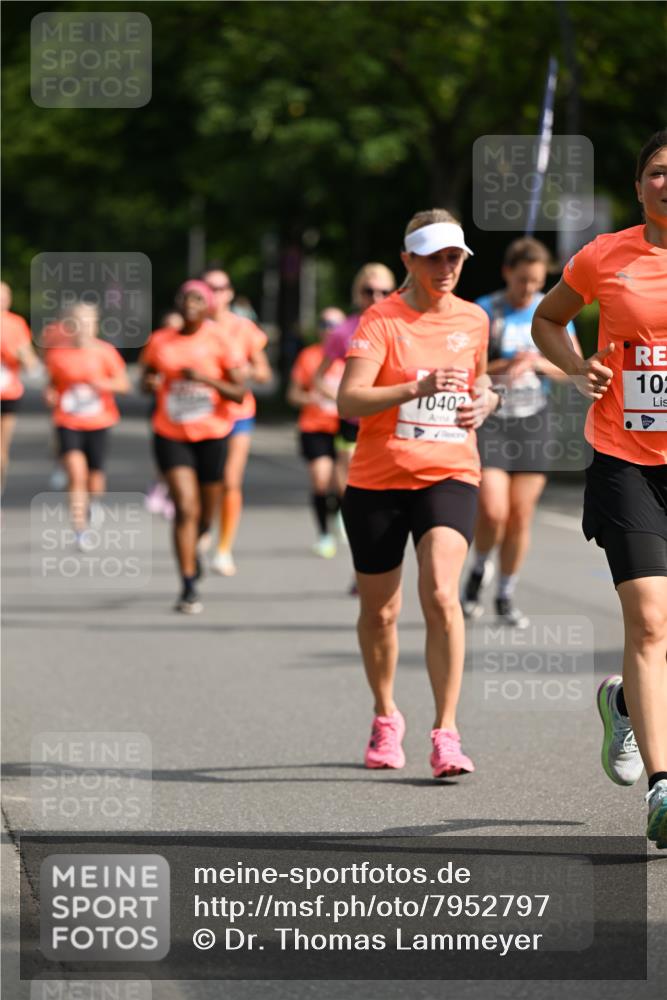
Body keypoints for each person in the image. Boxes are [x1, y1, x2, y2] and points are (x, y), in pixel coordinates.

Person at [532, 130, 667, 850]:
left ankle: (621, 703)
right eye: (657, 172)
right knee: (649, 622)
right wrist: (574, 366)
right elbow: (546, 320)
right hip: (625, 458)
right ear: (639, 182)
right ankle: (662, 787)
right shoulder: (604, 256)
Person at [337, 209, 502, 777]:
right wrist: (416, 386)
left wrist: (488, 400)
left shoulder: (474, 319)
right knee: (381, 612)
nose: (446, 267)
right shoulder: (381, 321)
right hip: (377, 479)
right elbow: (350, 400)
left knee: (439, 592)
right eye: (433, 257)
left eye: (454, 256)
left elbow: (478, 376)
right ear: (408, 259)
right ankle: (386, 714)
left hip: (449, 471)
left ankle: (447, 732)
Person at [462, 239, 581, 627]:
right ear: (507, 273)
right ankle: (480, 566)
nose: (529, 288)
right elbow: (469, 370)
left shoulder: (553, 311)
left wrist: (540, 363)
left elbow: (573, 371)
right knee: (493, 509)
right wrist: (506, 363)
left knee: (520, 515)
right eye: (522, 280)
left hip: (533, 421)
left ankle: (506, 593)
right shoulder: (487, 309)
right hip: (493, 419)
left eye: (535, 281)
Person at [140, 280, 245, 614]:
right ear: (178, 302)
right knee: (185, 507)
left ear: (208, 305)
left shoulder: (219, 340)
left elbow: (239, 393)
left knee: (204, 515)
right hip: (171, 432)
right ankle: (187, 585)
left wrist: (204, 379)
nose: (191, 303)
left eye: (198, 298)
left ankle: (196, 547)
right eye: (186, 297)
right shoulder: (160, 341)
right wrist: (150, 382)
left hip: (213, 433)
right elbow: (145, 378)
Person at [202, 267, 272, 577]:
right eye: (210, 288)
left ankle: (223, 548)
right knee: (209, 483)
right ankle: (204, 523)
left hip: (238, 412)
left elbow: (264, 372)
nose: (216, 294)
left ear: (230, 292)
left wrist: (246, 371)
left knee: (231, 480)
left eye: (221, 288)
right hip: (201, 417)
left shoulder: (244, 329)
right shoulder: (192, 328)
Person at [43, 302, 129, 545]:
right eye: (77, 322)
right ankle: (80, 529)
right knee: (75, 474)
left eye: (87, 321)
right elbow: (51, 384)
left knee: (95, 480)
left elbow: (124, 385)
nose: (82, 327)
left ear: (95, 324)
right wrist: (49, 394)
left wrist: (103, 385)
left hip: (99, 421)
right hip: (68, 420)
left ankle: (94, 503)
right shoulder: (57, 354)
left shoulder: (105, 352)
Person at [287, 306, 347, 556]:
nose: (328, 329)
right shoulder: (309, 357)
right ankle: (324, 534)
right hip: (315, 427)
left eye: (334, 325)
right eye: (324, 324)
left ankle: (339, 517)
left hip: (345, 427)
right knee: (321, 479)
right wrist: (310, 398)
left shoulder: (353, 356)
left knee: (342, 484)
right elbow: (293, 395)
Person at [1, 281, 40, 490]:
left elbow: (31, 362)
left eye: (4, 297)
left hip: (8, 393)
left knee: (1, 451)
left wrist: (19, 355)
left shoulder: (16, 324)